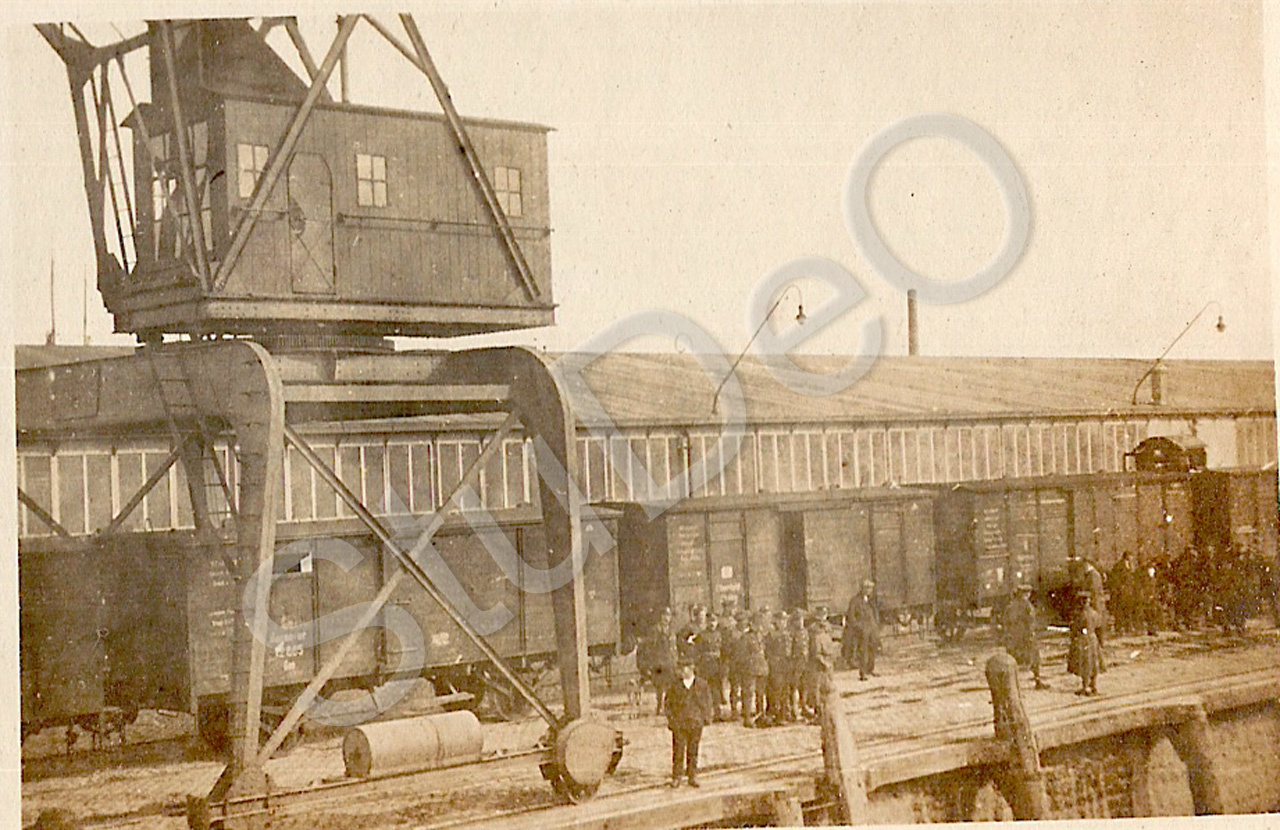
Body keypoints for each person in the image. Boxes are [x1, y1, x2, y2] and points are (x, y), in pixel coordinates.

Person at [665, 661, 715, 787]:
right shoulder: (675, 686)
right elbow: (668, 704)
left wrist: (705, 718)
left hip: (695, 723)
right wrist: (672, 720)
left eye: (684, 668)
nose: (681, 671)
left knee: (693, 750)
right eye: (680, 669)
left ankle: (692, 776)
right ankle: (677, 777)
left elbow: (708, 702)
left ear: (692, 668)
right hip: (679, 723)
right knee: (678, 751)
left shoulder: (702, 684)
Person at [1000, 584, 1048, 690]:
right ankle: (1037, 680)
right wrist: (1031, 633)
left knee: (1013, 660)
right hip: (1025, 636)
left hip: (1014, 637)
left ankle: (1010, 684)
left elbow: (1005, 622)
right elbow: (1030, 621)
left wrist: (1007, 635)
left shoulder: (1010, 606)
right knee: (1034, 658)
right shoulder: (1027, 605)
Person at [637, 607, 678, 716]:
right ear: (660, 617)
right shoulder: (655, 630)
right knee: (660, 686)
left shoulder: (671, 630)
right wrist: (650, 663)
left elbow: (674, 647)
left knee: (671, 685)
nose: (666, 618)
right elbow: (650, 647)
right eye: (664, 615)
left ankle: (669, 706)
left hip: (670, 662)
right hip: (659, 662)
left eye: (668, 616)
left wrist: (675, 660)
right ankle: (659, 706)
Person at [843, 580, 881, 681]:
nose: (869, 590)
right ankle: (863, 673)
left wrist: (876, 624)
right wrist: (859, 627)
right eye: (867, 588)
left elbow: (875, 613)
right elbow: (851, 616)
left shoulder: (871, 601)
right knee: (863, 651)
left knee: (873, 649)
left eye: (871, 588)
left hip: (872, 629)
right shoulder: (855, 600)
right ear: (863, 589)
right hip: (863, 630)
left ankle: (870, 669)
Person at [806, 607, 839, 719]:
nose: (822, 617)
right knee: (817, 689)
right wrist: (824, 662)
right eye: (821, 614)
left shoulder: (828, 627)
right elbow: (815, 651)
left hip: (828, 662)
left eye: (824, 614)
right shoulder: (813, 629)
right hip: (818, 664)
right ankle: (818, 711)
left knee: (828, 687)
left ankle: (826, 711)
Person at [1068, 590, 1102, 696]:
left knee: (1085, 664)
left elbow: (1075, 627)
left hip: (1083, 640)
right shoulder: (1094, 613)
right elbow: (1098, 624)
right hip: (1093, 639)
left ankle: (1085, 687)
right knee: (1094, 663)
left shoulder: (1080, 614)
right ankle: (1093, 686)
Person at [694, 612, 726, 719]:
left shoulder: (719, 634)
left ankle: (717, 712)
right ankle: (705, 713)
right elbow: (697, 651)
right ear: (707, 622)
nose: (712, 624)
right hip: (705, 665)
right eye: (710, 621)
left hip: (716, 665)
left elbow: (723, 650)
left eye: (714, 621)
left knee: (716, 689)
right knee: (705, 690)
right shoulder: (702, 635)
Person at [764, 610, 791, 724]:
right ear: (776, 621)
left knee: (785, 690)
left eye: (784, 620)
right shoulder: (771, 635)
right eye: (780, 620)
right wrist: (772, 662)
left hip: (786, 665)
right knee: (776, 690)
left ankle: (784, 713)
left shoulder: (787, 634)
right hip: (776, 666)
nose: (782, 623)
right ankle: (775, 713)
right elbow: (767, 650)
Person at [785, 609, 810, 722]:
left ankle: (803, 706)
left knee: (803, 686)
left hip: (804, 663)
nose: (800, 622)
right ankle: (794, 709)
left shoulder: (805, 632)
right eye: (798, 620)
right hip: (794, 664)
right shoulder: (791, 633)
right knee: (793, 687)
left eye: (801, 619)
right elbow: (788, 651)